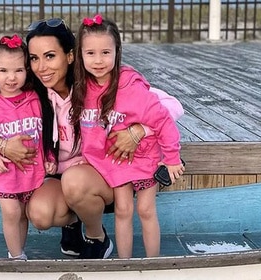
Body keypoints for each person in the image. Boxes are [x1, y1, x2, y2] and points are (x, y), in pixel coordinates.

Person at [0, 19, 184, 259]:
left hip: (101, 175)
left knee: (76, 182)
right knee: (40, 213)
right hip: (59, 175)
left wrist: (137, 131)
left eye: (50, 56)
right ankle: (73, 225)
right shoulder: (32, 94)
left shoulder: (94, 83)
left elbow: (171, 106)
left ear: (70, 56)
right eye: (34, 58)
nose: (41, 67)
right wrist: (2, 145)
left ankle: (96, 237)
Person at [65, 14, 185, 259]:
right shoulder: (81, 88)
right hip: (115, 161)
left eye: (105, 53)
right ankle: (124, 264)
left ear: (117, 52)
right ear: (80, 54)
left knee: (146, 209)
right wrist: (87, 158)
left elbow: (163, 119)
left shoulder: (131, 87)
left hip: (143, 157)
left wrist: (172, 159)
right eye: (90, 53)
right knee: (123, 209)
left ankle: (153, 264)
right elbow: (89, 130)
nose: (98, 60)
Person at [0, 34, 55, 260]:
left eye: (18, 70)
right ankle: (15, 256)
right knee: (12, 212)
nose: (11, 78)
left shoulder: (36, 99)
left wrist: (50, 155)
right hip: (3, 172)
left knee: (23, 214)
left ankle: (19, 250)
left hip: (31, 172)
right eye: (3, 71)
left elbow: (47, 132)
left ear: (27, 71)